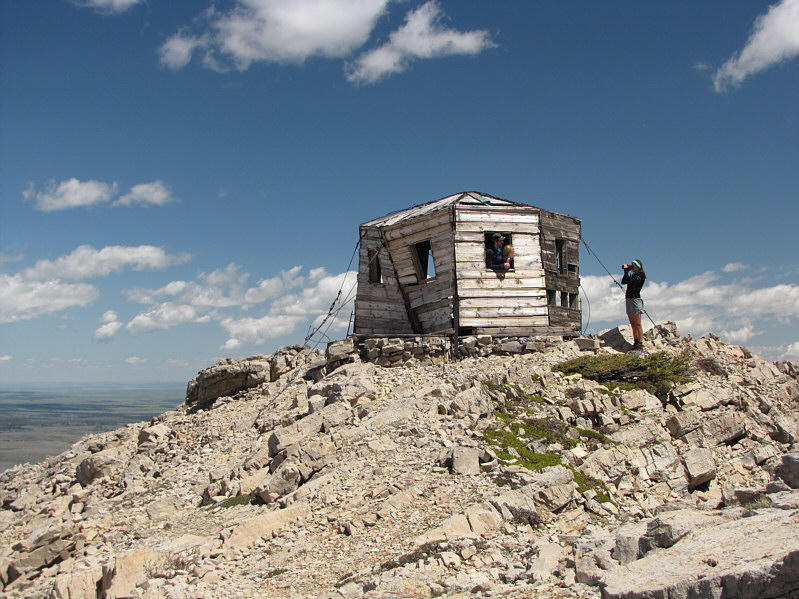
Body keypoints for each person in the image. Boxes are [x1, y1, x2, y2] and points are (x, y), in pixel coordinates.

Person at [622, 259, 646, 351]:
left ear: (637, 267)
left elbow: (632, 281)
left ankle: (640, 342)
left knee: (638, 323)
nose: (632, 268)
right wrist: (626, 272)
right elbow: (624, 281)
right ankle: (635, 340)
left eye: (633, 266)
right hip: (629, 299)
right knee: (632, 324)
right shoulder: (633, 275)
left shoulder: (641, 276)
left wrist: (627, 272)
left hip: (635, 300)